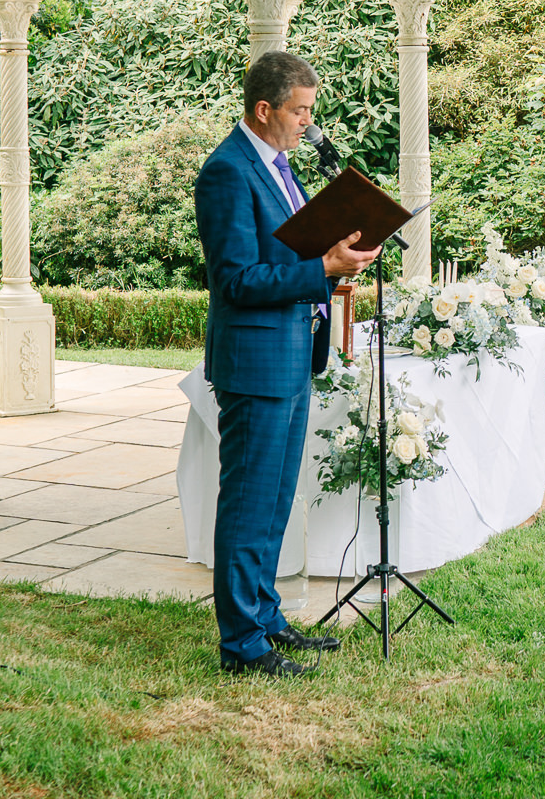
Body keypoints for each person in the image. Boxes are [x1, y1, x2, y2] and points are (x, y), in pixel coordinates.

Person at [195, 51, 381, 677]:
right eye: (299, 111)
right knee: (248, 503)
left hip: (294, 356)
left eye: (310, 110)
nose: (309, 122)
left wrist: (335, 255)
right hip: (255, 363)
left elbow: (290, 250)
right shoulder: (227, 172)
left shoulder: (280, 168)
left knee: (275, 501)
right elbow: (237, 280)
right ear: (264, 109)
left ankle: (266, 618)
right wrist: (322, 270)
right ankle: (242, 646)